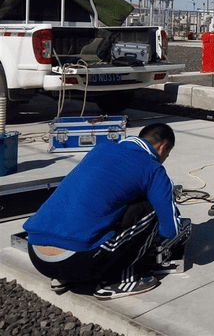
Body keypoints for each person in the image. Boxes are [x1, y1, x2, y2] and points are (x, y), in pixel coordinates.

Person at [24, 122, 186, 300]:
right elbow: (170, 229)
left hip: (38, 256)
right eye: (167, 155)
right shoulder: (152, 168)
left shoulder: (101, 149)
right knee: (151, 209)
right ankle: (121, 280)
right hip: (76, 262)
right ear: (163, 147)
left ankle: (64, 277)